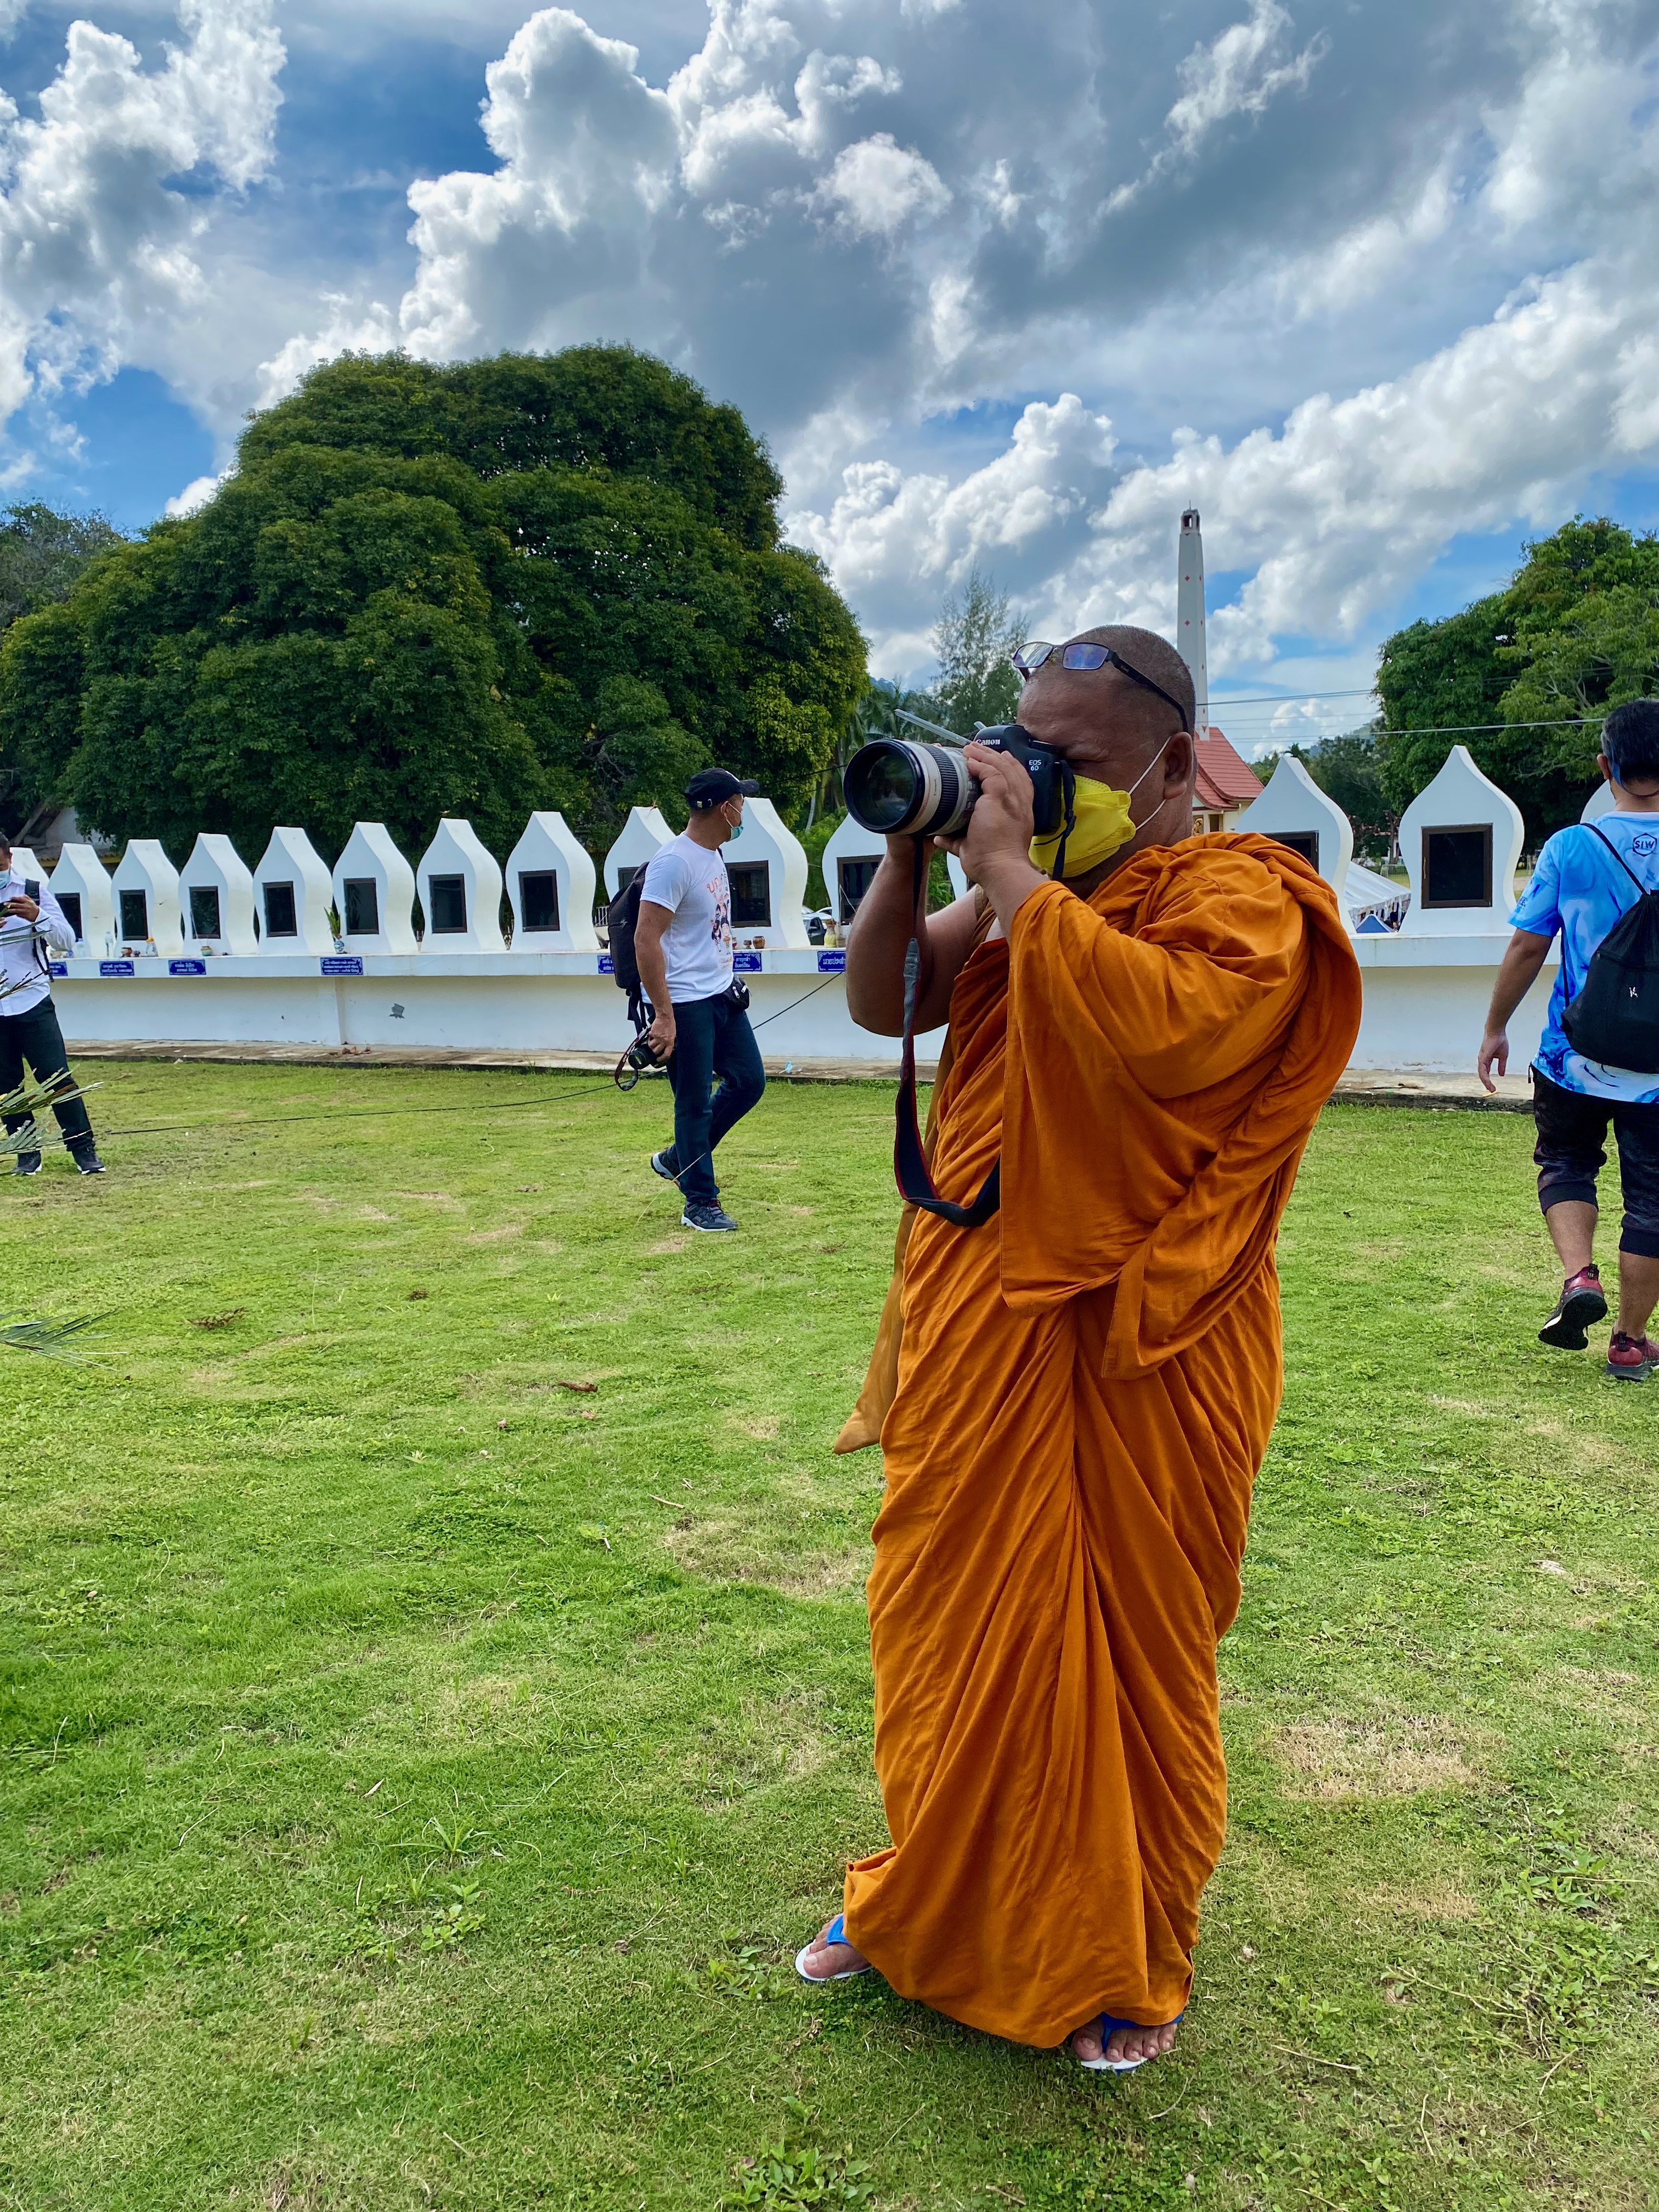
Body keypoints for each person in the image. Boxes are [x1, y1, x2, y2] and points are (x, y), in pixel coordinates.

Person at [793, 627, 1361, 2072]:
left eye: (1074, 762)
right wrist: (920, 853)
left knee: (1123, 1649)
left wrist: (1008, 873)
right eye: (1023, 747)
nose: (1037, 779)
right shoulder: (1023, 893)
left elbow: (1168, 1035)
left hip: (1142, 1344)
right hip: (982, 1316)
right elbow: (882, 1000)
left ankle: (1121, 1955)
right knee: (950, 1623)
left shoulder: (1240, 894)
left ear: (1172, 766)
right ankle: (928, 1898)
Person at [1478, 699, 1659, 1378]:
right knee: (1653, 1204)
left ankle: (1580, 1276)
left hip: (1572, 1058)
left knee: (1566, 1163)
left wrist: (1495, 1027)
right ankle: (1630, 1341)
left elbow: (1528, 947)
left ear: (1606, 767)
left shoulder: (1569, 848)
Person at [635, 768, 767, 1234]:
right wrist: (663, 1016)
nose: (744, 811)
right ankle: (700, 1202)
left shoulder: (714, 855)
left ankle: (680, 1157)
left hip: (721, 994)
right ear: (722, 808)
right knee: (693, 1104)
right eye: (740, 803)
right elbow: (646, 939)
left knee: (749, 1081)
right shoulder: (675, 862)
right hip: (685, 1003)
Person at [0, 832, 104, 1176]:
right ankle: (27, 1154)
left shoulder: (33, 891)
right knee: (6, 1085)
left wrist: (37, 916)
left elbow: (66, 940)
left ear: (9, 858)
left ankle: (83, 1150)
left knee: (56, 1077)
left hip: (32, 1000)